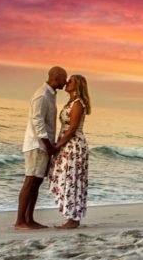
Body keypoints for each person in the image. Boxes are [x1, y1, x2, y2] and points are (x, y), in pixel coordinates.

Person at [15, 66, 67, 230]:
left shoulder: (50, 95)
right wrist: (48, 145)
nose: (65, 82)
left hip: (42, 145)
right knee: (30, 181)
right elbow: (38, 122)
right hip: (36, 145)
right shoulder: (42, 95)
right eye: (64, 78)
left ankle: (29, 219)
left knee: (36, 183)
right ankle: (20, 221)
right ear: (56, 78)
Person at [48, 74, 91, 229]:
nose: (67, 82)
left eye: (71, 81)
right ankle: (72, 217)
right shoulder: (71, 103)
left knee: (72, 180)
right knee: (67, 178)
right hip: (68, 144)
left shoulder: (78, 104)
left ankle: (73, 219)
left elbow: (72, 128)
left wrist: (57, 145)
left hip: (73, 145)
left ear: (77, 85)